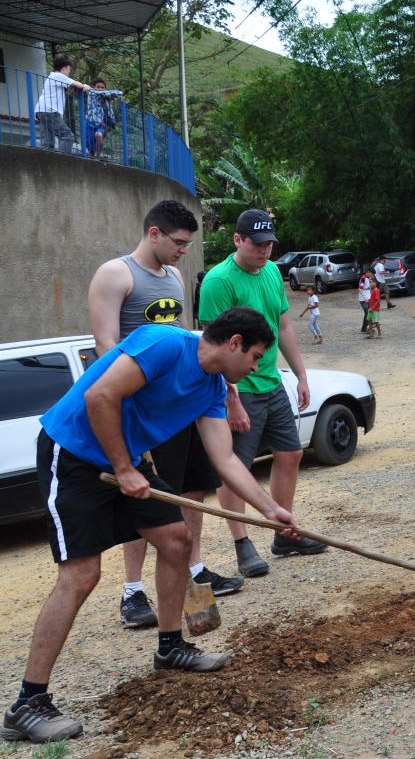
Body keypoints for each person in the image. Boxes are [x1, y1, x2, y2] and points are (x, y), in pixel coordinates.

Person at [2, 310, 299, 745]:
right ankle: (27, 703)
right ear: (234, 342)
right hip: (75, 453)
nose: (254, 368)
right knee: (82, 574)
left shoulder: (213, 388)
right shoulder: (164, 344)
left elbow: (225, 459)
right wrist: (123, 469)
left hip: (127, 459)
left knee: (177, 540)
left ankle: (171, 646)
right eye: (254, 357)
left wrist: (270, 508)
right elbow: (100, 396)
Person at [87, 200, 244, 630]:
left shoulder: (174, 276)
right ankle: (133, 591)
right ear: (153, 233)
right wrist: (138, 413)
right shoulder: (115, 275)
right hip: (145, 410)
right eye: (178, 242)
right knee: (147, 496)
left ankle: (193, 567)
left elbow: (195, 342)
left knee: (193, 489)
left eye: (188, 244)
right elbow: (106, 349)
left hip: (184, 403)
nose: (183, 252)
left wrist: (225, 390)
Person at [198, 209, 326, 577]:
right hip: (240, 387)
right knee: (234, 468)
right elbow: (214, 344)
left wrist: (300, 374)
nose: (265, 251)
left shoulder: (271, 272)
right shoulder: (219, 281)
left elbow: (284, 324)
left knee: (291, 453)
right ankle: (241, 543)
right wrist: (231, 397)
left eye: (269, 243)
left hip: (270, 381)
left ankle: (283, 533)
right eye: (257, 244)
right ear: (238, 241)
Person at [34, 56, 91, 153]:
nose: (69, 72)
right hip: (50, 110)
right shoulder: (58, 76)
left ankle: (46, 163)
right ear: (64, 68)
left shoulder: (53, 77)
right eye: (69, 69)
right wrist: (85, 86)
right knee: (67, 136)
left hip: (41, 110)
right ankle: (62, 161)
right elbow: (78, 85)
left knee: (48, 142)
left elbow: (70, 87)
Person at [84, 79, 122, 159]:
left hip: (101, 124)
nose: (100, 89)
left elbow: (120, 93)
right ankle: (91, 156)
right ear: (94, 87)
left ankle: (97, 157)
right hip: (90, 122)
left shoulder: (106, 97)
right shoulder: (92, 94)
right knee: (89, 142)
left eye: (102, 87)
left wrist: (109, 95)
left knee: (99, 135)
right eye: (98, 87)